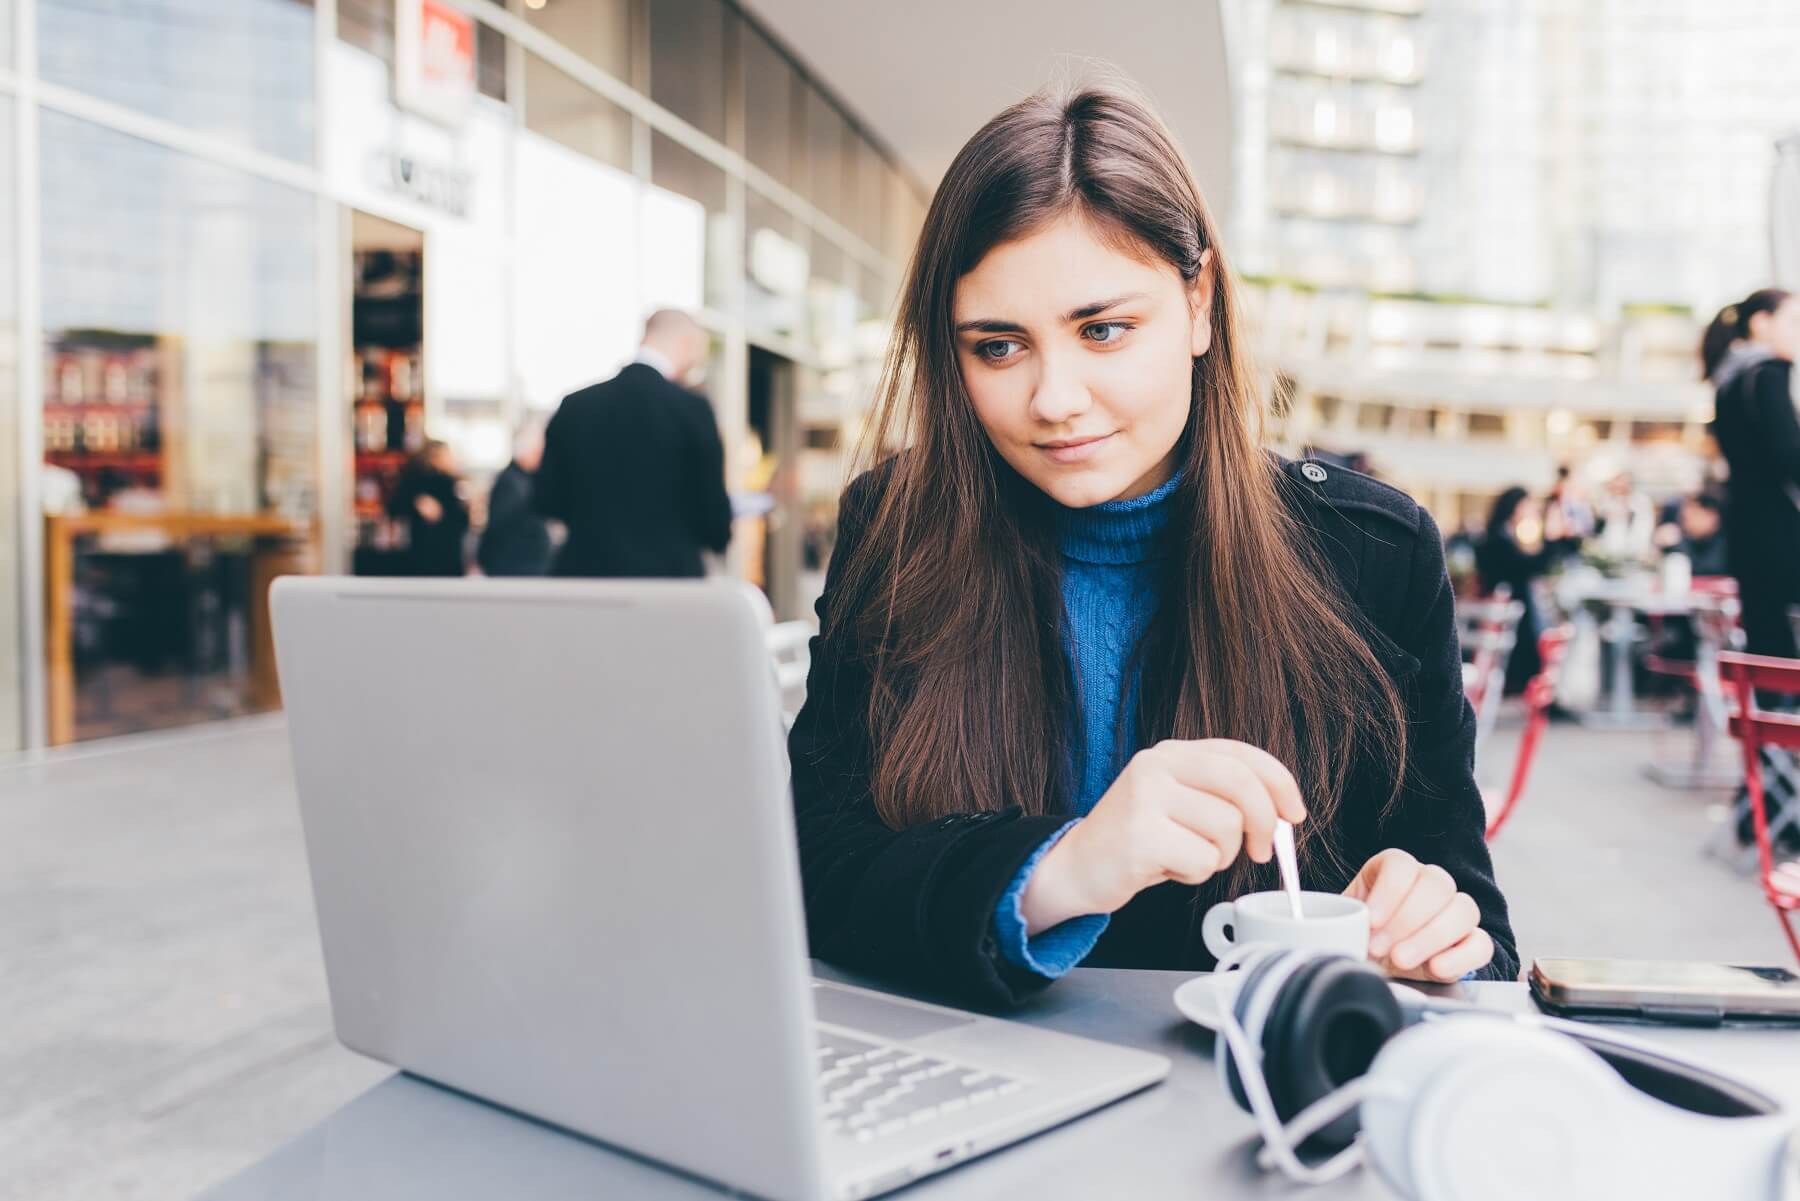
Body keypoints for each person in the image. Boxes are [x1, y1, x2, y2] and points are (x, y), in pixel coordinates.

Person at [788, 79, 1518, 1008]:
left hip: (1255, 1116)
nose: (1053, 397)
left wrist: (1430, 934)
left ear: (1200, 304)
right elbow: (813, 871)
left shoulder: (1369, 555)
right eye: (998, 347)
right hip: (967, 1088)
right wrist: (1064, 868)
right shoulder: (897, 533)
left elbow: (1487, 944)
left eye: (1104, 330)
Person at [533, 310, 733, 578]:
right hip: (669, 578)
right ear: (687, 344)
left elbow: (548, 500)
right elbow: (712, 515)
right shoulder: (692, 410)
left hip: (586, 573)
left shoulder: (575, 406)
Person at [1703, 289, 1800, 660]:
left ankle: (1765, 718)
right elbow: (1790, 454)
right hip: (1782, 532)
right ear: (1761, 323)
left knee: (1767, 648)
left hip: (1746, 532)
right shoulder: (1768, 373)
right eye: (1792, 322)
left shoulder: (1727, 380)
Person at [1475, 487, 1579, 697]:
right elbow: (1527, 566)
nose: (1530, 510)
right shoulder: (1499, 538)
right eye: (1526, 505)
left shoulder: (1504, 534)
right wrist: (1551, 541)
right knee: (1522, 651)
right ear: (1514, 507)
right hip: (1508, 605)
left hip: (1511, 604)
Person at [477, 420, 553, 577]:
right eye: (538, 451)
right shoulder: (511, 482)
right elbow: (500, 527)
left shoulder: (522, 479)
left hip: (520, 566)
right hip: (516, 568)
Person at [387, 440, 469, 578]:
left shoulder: (413, 483)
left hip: (419, 558)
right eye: (447, 455)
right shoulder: (445, 483)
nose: (452, 459)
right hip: (443, 558)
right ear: (435, 458)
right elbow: (461, 521)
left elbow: (394, 507)